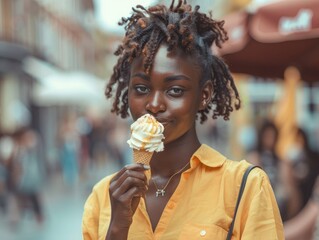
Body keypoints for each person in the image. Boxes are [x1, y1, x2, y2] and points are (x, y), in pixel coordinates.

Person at [82, 1, 284, 239]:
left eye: (175, 90)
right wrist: (116, 228)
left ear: (204, 95)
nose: (154, 104)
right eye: (141, 88)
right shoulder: (102, 197)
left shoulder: (244, 187)